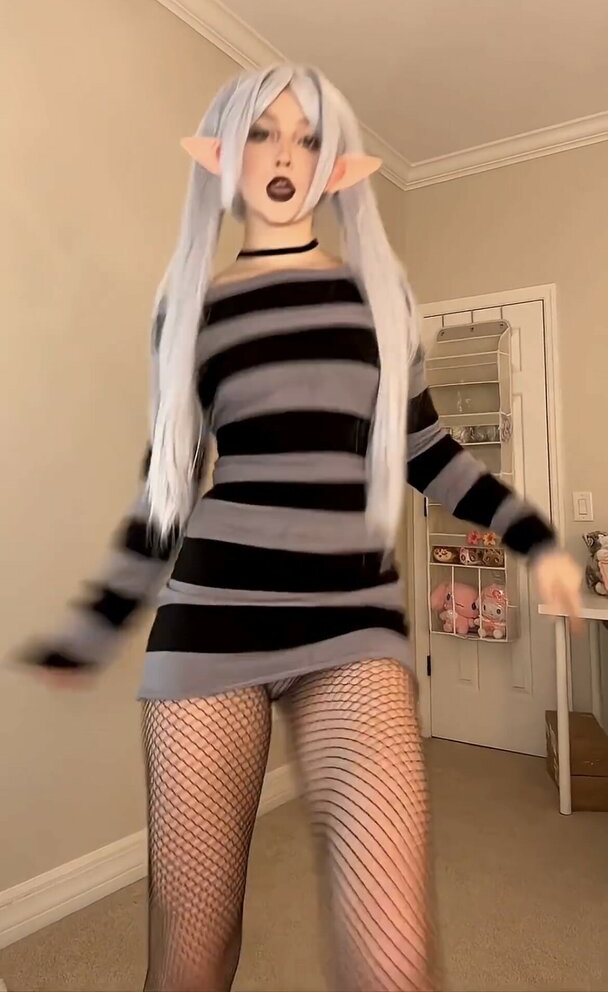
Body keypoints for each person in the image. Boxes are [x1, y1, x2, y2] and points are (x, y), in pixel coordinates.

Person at [21, 64, 582, 992]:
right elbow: (168, 483)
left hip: (352, 628)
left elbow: (428, 450)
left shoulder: (379, 299)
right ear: (222, 155)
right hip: (211, 624)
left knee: (396, 961)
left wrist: (534, 539)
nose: (285, 153)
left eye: (309, 136)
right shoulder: (189, 309)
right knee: (190, 958)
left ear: (335, 165)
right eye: (262, 131)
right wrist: (96, 623)